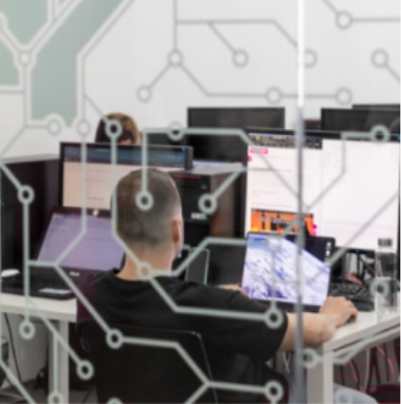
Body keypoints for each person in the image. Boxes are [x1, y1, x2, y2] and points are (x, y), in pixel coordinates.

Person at [77, 169, 376, 404]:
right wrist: (331, 312)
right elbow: (315, 332)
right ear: (177, 229)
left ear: (115, 230)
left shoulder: (90, 295)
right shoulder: (211, 307)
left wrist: (220, 301)